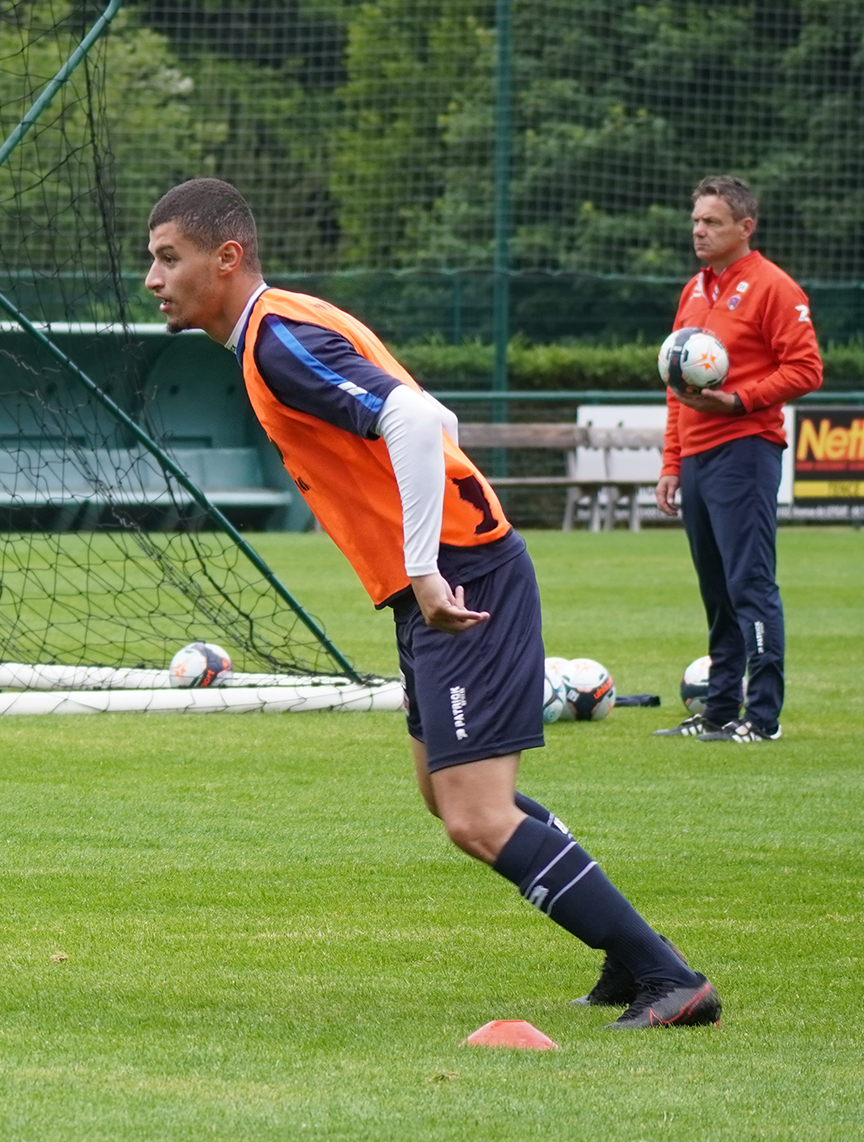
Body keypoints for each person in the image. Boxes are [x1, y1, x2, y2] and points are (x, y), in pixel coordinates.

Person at [144, 177, 720, 1029]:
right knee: (444, 796)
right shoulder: (287, 326)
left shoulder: (275, 340)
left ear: (226, 259)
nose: (153, 279)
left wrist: (422, 565)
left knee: (475, 816)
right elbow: (431, 413)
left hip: (460, 576)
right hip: (443, 578)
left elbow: (411, 418)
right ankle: (627, 957)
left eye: (168, 258)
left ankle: (670, 979)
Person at [653, 176, 822, 743]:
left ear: (744, 228)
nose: (699, 230)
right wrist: (672, 461)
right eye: (697, 220)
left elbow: (806, 368)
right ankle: (721, 709)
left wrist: (739, 401)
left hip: (745, 450)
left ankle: (763, 717)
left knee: (750, 585)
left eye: (713, 222)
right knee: (717, 591)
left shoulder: (775, 288)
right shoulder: (693, 289)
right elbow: (677, 386)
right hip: (698, 458)